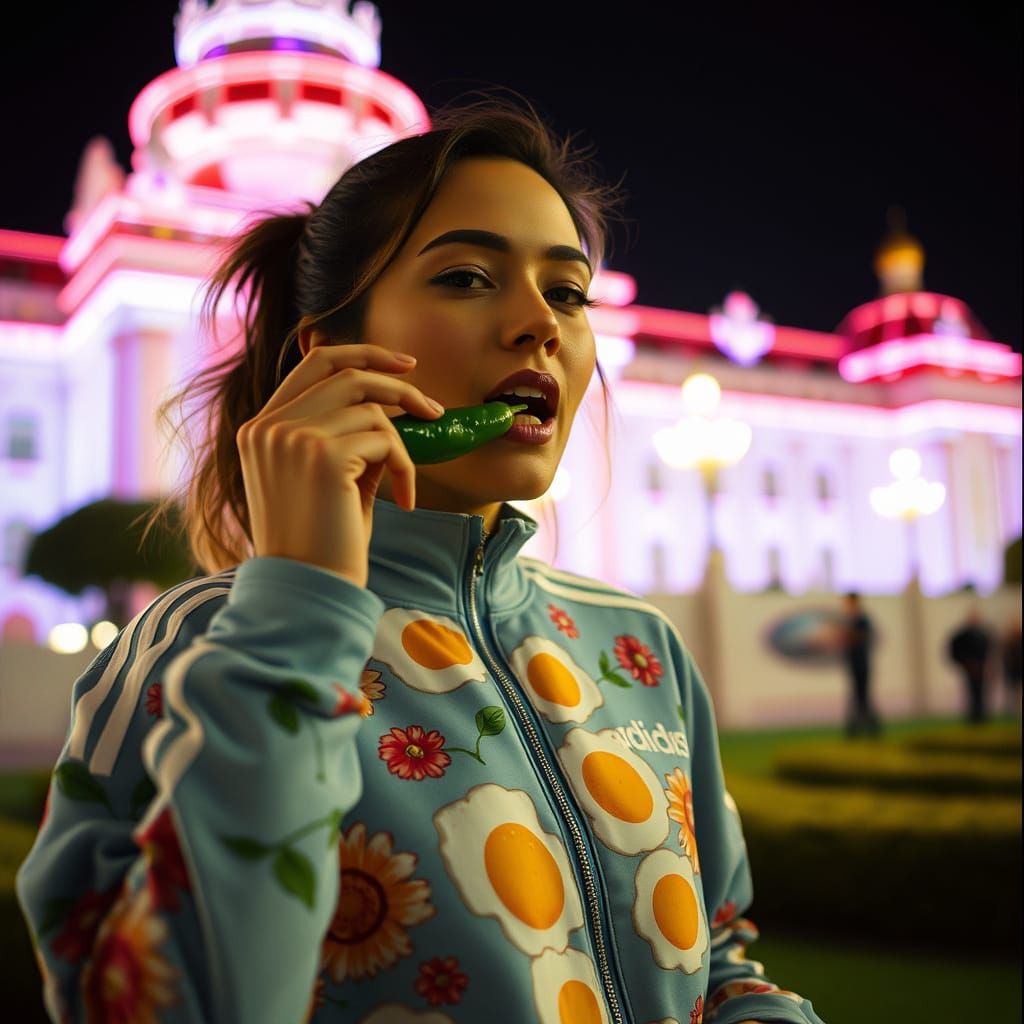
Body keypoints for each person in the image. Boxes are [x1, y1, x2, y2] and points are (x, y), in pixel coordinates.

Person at [16, 101, 824, 1024]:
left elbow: (717, 960)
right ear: (327, 356)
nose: (539, 325)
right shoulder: (196, 645)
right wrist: (300, 608)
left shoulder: (637, 645)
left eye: (566, 291)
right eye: (470, 277)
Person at [840, 592, 880, 736]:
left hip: (861, 664)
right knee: (857, 697)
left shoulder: (862, 620)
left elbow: (860, 637)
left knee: (863, 697)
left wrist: (847, 635)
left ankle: (869, 729)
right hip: (853, 663)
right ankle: (857, 729)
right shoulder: (850, 620)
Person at [947, 607, 993, 723]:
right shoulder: (962, 635)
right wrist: (964, 663)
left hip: (980, 667)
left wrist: (985, 663)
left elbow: (989, 650)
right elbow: (954, 650)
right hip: (969, 668)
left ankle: (981, 715)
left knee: (981, 691)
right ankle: (973, 716)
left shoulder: (983, 634)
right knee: (971, 691)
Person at [999, 613, 1022, 716]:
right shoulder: (1008, 641)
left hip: (1018, 668)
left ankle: (1016, 708)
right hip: (1010, 669)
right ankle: (1011, 709)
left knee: (1017, 690)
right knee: (1010, 689)